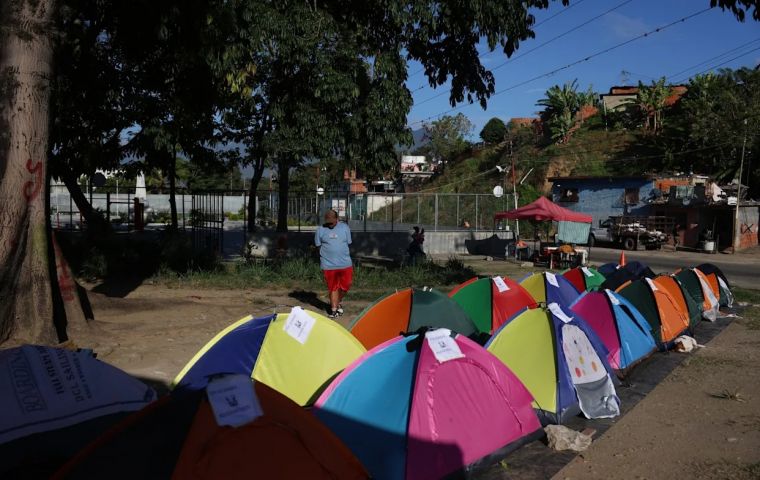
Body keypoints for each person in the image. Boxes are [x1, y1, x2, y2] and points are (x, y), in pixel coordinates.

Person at [315, 209, 353, 319]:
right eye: (328, 222)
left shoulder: (345, 227)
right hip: (328, 265)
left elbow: (348, 243)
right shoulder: (320, 230)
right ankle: (333, 310)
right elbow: (318, 246)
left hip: (345, 263)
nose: (330, 224)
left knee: (346, 286)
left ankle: (338, 301)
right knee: (333, 288)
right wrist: (325, 257)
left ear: (337, 219)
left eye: (332, 221)